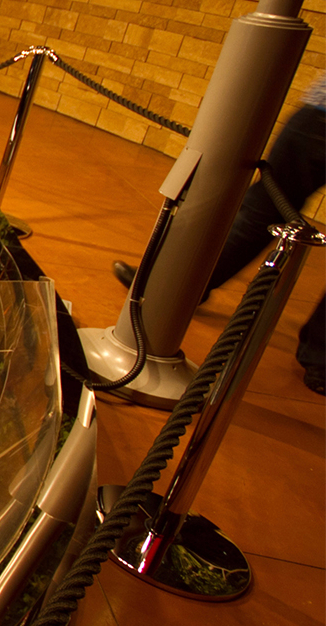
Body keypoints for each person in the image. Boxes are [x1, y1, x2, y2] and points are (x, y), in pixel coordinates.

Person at [113, 74, 326, 393]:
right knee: (263, 209)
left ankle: (322, 355)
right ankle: (184, 285)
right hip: (321, 114)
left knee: (262, 208)